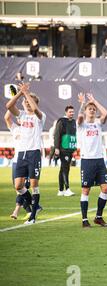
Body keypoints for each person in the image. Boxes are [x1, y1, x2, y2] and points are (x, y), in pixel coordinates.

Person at [5, 82, 45, 225]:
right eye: (26, 102)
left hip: (33, 153)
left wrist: (26, 94)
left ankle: (32, 216)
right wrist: (20, 93)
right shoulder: (21, 115)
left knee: (34, 185)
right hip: (21, 154)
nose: (28, 104)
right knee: (18, 186)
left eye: (30, 102)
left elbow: (35, 110)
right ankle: (36, 207)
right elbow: (8, 107)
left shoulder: (40, 116)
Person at [77, 93, 107, 228]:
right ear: (85, 111)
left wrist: (94, 101)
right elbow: (79, 117)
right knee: (86, 190)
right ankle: (84, 219)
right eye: (89, 108)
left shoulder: (98, 123)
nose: (92, 110)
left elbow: (106, 114)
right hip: (87, 161)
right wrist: (82, 103)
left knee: (106, 188)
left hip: (99, 161)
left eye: (93, 109)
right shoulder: (81, 125)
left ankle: (98, 217)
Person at [4, 110, 42, 220]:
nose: (20, 119)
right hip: (16, 162)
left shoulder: (32, 129)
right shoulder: (15, 129)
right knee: (18, 188)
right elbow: (7, 117)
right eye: (18, 118)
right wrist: (13, 102)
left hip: (29, 159)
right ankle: (34, 206)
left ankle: (19, 210)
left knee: (26, 186)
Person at [54, 105, 77, 197]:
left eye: (72, 112)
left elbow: (74, 135)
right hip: (63, 149)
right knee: (66, 168)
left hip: (70, 148)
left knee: (63, 169)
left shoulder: (74, 122)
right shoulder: (61, 121)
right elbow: (57, 135)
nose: (72, 113)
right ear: (66, 112)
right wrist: (56, 148)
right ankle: (67, 189)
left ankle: (60, 190)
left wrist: (74, 148)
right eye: (70, 112)